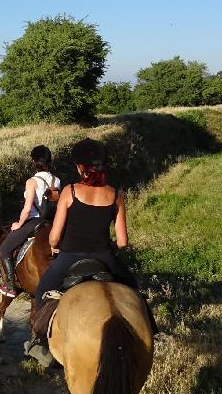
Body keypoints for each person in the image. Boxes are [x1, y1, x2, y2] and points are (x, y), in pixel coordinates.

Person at [31, 138, 157, 340]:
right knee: (134, 291)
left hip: (69, 256)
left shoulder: (69, 191)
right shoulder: (116, 194)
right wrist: (111, 247)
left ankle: (39, 339)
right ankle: (150, 329)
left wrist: (56, 247)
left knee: (42, 292)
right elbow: (123, 242)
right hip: (104, 257)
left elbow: (54, 238)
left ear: (80, 168)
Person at [0, 145, 61, 298]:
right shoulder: (56, 180)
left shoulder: (32, 181)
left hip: (34, 221)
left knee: (4, 249)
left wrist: (19, 224)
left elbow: (27, 209)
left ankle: (11, 286)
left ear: (34, 161)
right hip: (51, 222)